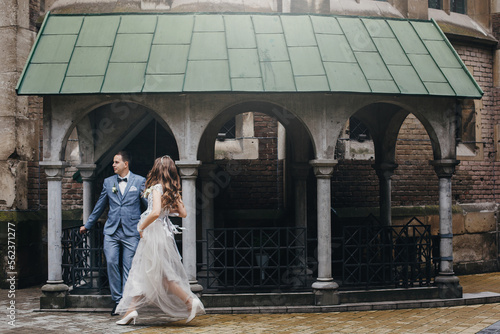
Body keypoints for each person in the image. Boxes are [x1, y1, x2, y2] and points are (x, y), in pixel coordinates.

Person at [115, 155, 205, 326]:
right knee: (143, 271)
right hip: (163, 234)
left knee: (157, 274)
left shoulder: (156, 187)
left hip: (153, 233)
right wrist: (166, 211)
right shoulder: (172, 190)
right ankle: (131, 310)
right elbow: (183, 213)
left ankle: (188, 301)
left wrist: (141, 226)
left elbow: (155, 212)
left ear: (157, 169)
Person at [80, 151, 146, 316]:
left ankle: (126, 302)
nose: (113, 165)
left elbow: (148, 205)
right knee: (110, 262)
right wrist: (88, 224)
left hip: (131, 231)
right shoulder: (108, 182)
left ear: (126, 164)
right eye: (113, 162)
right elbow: (100, 205)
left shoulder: (139, 181)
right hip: (111, 231)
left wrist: (152, 223)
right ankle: (117, 300)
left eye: (116, 162)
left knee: (128, 267)